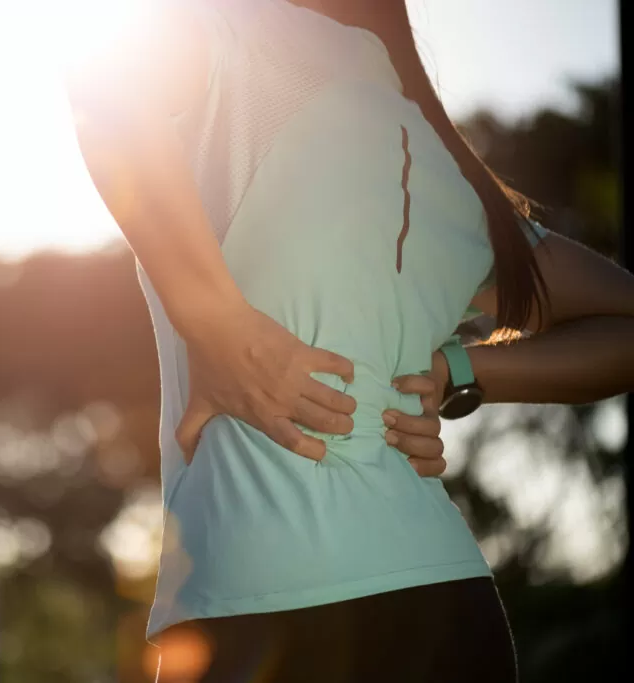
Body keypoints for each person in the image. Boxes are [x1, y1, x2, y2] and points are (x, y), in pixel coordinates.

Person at [65, 0, 634, 680]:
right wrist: (455, 369)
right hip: (449, 608)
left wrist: (218, 322)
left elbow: (99, 75)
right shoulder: (445, 167)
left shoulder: (235, 38)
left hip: (264, 610)